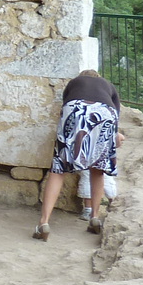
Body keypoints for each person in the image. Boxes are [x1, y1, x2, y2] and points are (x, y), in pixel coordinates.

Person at [33, 68, 126, 240]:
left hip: (74, 109)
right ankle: (95, 218)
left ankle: (43, 222)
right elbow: (115, 117)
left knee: (59, 169)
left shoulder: (74, 83)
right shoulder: (108, 86)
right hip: (105, 111)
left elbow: (66, 106)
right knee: (97, 168)